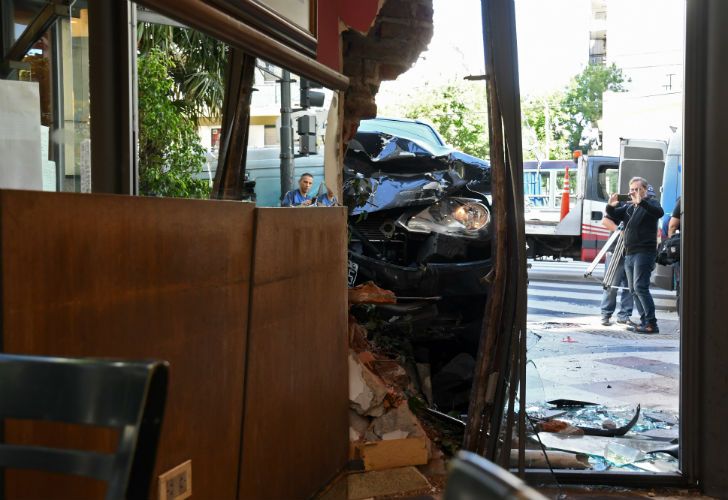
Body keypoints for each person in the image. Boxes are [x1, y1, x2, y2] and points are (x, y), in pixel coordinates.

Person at [606, 177, 665, 334]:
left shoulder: (651, 203)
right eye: (631, 189)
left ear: (644, 189)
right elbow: (613, 214)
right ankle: (645, 321)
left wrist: (642, 202)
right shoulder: (629, 207)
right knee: (633, 289)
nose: (633, 192)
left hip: (644, 252)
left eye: (637, 189)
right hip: (630, 253)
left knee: (640, 287)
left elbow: (659, 213)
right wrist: (611, 205)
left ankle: (652, 323)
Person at [599, 215, 637, 327]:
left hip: (633, 251)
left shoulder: (642, 206)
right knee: (611, 285)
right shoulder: (620, 205)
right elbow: (605, 221)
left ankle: (624, 316)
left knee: (630, 287)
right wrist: (620, 230)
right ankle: (606, 314)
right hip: (615, 250)